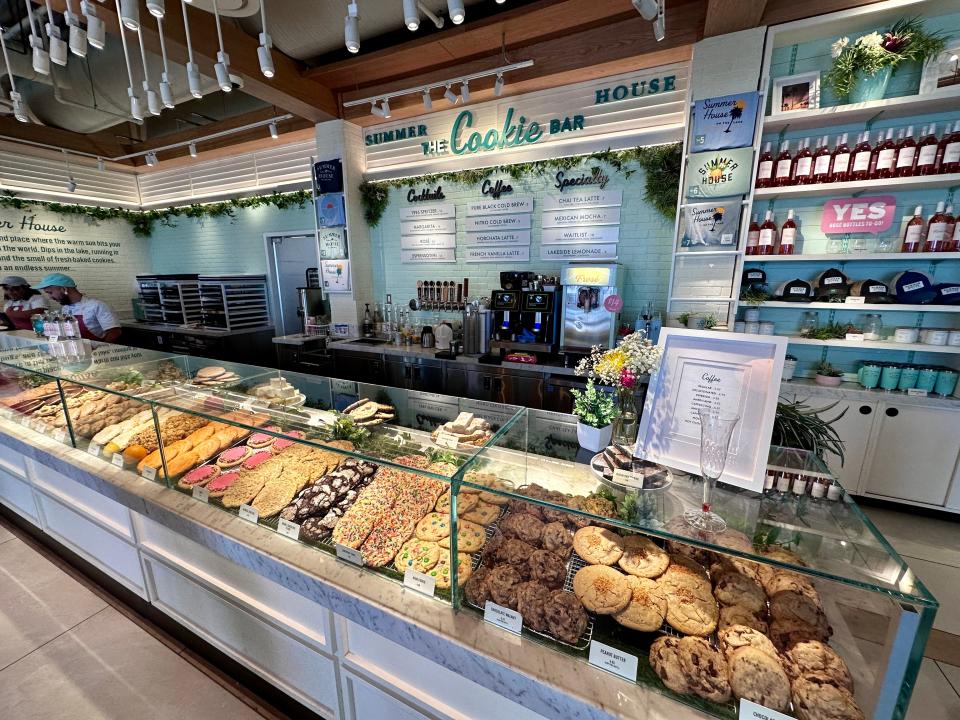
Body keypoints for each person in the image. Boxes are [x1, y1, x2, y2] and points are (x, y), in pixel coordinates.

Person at [34, 273, 121, 342]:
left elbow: (114, 332)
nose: (50, 297)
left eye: (50, 292)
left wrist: (101, 350)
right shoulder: (65, 308)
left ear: (64, 289)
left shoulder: (97, 305)